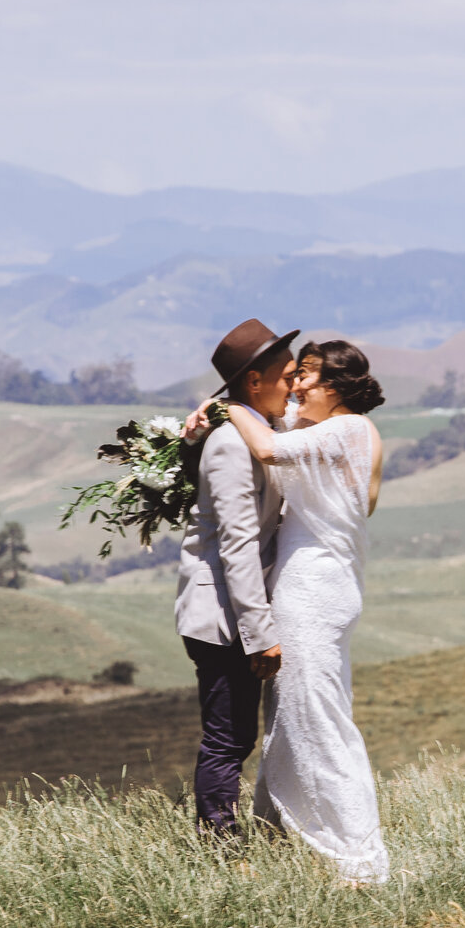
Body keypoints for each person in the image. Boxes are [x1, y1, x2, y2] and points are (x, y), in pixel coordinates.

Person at [211, 339, 389, 884]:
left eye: (307, 375)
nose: (295, 386)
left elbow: (266, 447)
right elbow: (273, 421)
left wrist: (226, 406)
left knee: (315, 717)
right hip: (322, 584)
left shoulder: (348, 429)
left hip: (312, 588)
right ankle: (278, 838)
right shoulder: (323, 429)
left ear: (335, 386)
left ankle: (356, 857)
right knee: (292, 712)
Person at [174, 318, 296, 843]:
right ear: (254, 381)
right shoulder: (228, 445)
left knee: (236, 734)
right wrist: (259, 633)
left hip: (231, 610)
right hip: (220, 614)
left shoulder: (262, 430)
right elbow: (237, 545)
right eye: (287, 377)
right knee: (228, 738)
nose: (294, 387)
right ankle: (218, 843)